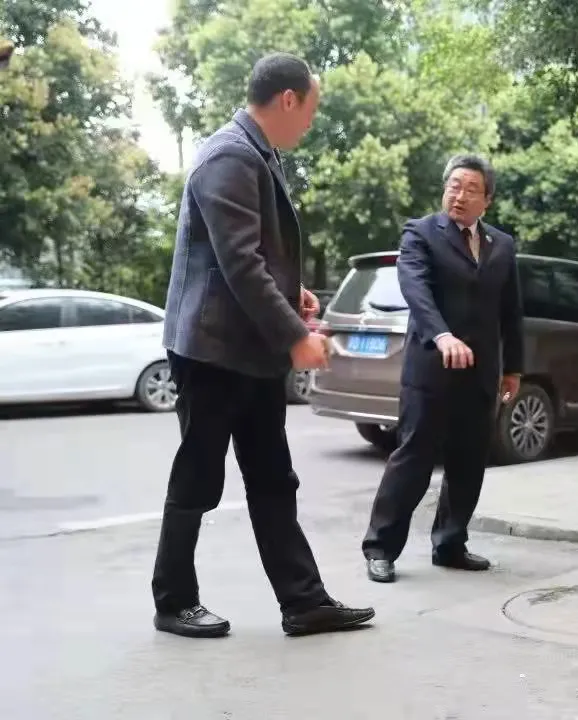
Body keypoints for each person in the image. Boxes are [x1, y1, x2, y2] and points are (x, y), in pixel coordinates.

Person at [153, 53, 374, 638]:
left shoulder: (257, 153)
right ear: (288, 99)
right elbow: (239, 265)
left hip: (247, 350)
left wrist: (293, 295)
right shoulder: (229, 154)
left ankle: (304, 602)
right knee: (199, 475)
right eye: (311, 109)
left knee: (274, 477)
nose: (311, 122)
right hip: (211, 350)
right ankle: (173, 600)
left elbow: (252, 257)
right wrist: (296, 338)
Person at [362, 153, 525, 584]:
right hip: (430, 369)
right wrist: (442, 335)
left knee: (468, 461)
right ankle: (380, 548)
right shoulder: (420, 233)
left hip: (481, 372)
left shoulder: (502, 245)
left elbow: (510, 311)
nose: (460, 195)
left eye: (471, 189)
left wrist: (514, 368)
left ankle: (450, 543)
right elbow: (415, 289)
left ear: (487, 200)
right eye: (454, 186)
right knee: (413, 459)